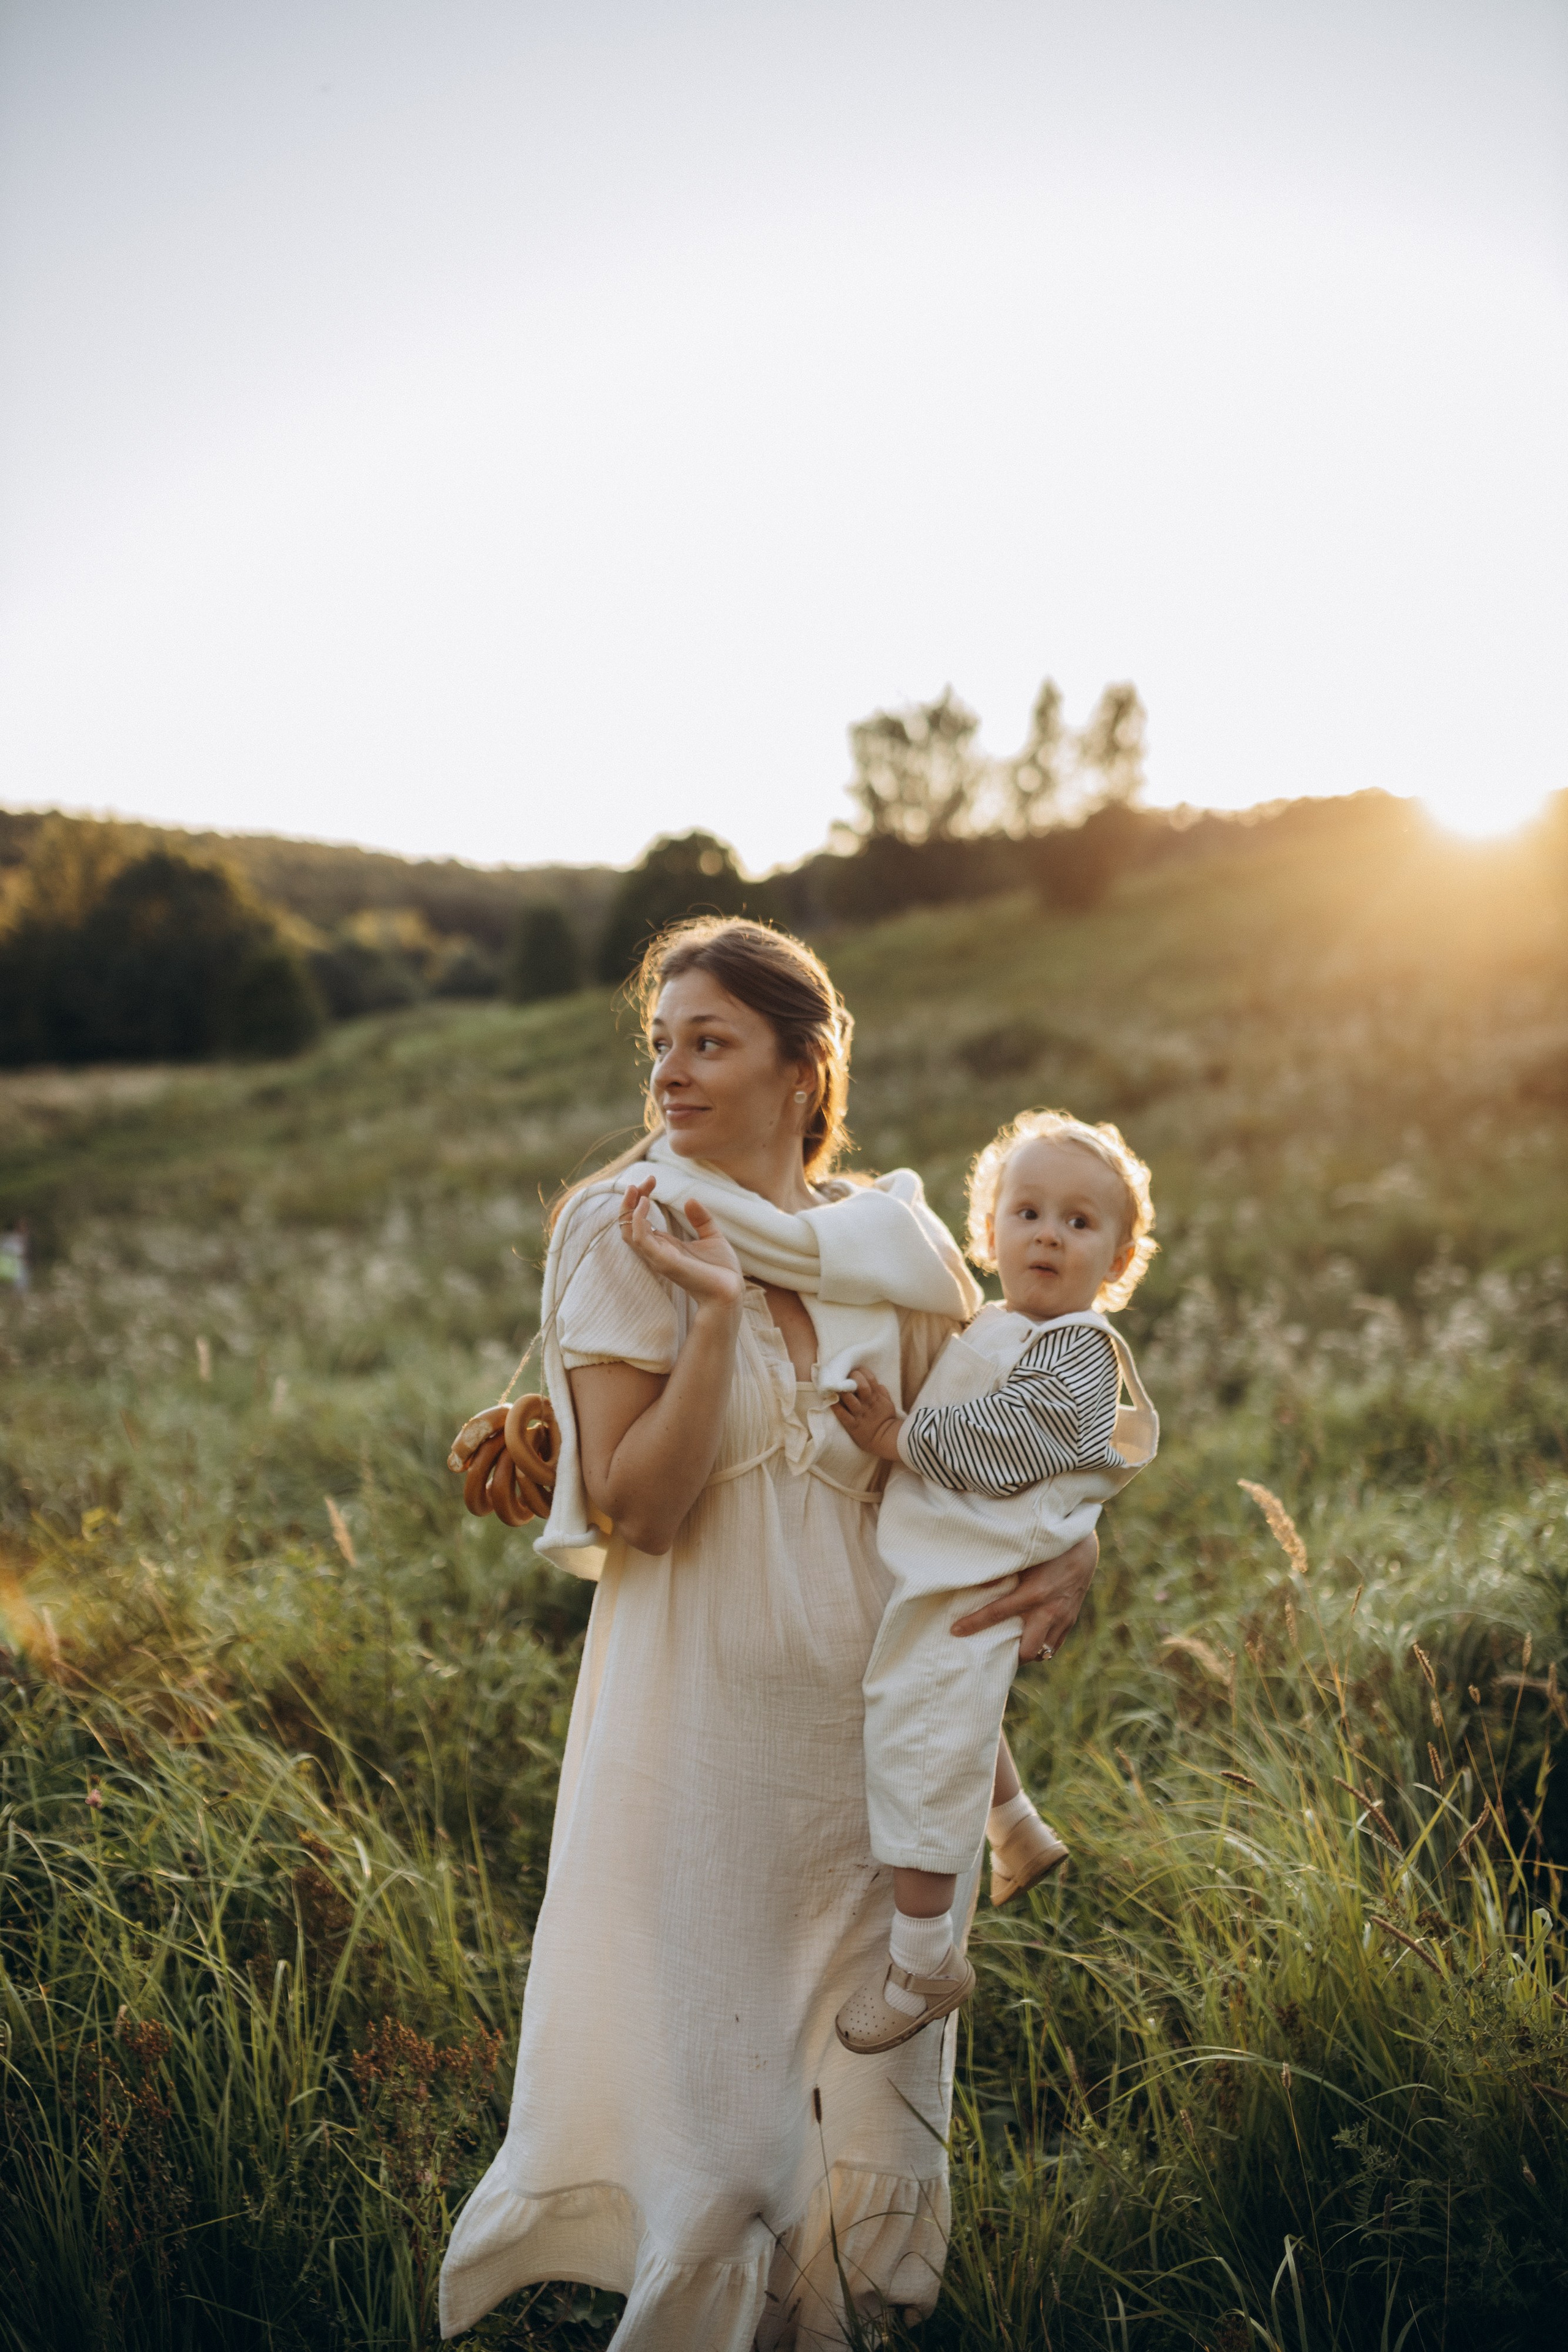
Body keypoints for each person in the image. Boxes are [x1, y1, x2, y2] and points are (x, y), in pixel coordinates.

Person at [439, 920, 1101, 2352]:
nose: (669, 1072)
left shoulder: (897, 1245)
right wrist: (713, 1326)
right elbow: (638, 1511)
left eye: (708, 1041)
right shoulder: (625, 1229)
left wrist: (1079, 1547)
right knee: (726, 2126)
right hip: (700, 1742)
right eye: (659, 1043)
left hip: (880, 1745)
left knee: (870, 2108)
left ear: (805, 1068)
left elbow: (1002, 1433)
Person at [829, 1110, 1159, 2054]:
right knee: (948, 1706)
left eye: (1080, 1222)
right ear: (991, 1232)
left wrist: (895, 1437)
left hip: (973, 1566)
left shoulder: (1078, 1350)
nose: (1049, 1233)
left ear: (1119, 1258)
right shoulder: (1001, 1323)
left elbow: (1007, 1443)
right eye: (1028, 1211)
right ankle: (1014, 1827)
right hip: (948, 1565)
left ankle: (926, 1958)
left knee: (924, 1744)